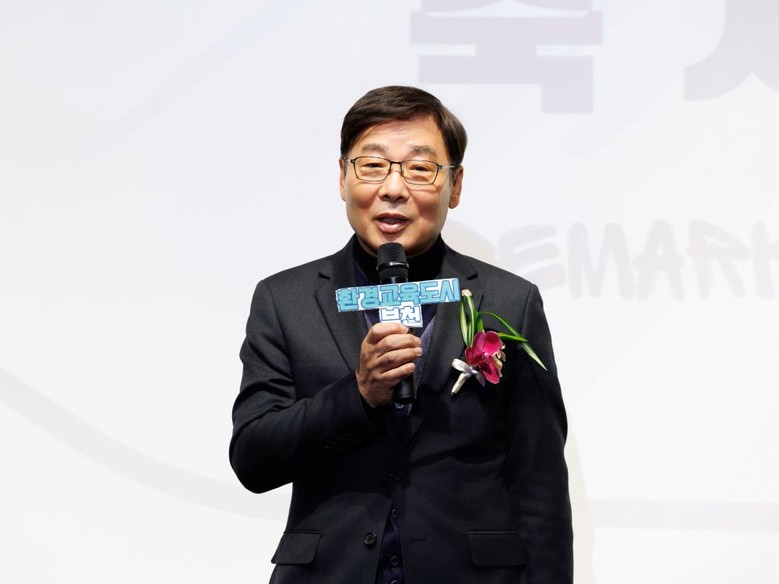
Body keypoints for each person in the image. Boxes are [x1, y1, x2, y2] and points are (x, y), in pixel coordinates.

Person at [229, 85, 573, 583]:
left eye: (419, 168)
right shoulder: (286, 300)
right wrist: (358, 394)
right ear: (343, 178)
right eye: (372, 165)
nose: (393, 188)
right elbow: (253, 459)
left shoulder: (508, 301)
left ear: (455, 185)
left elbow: (539, 483)